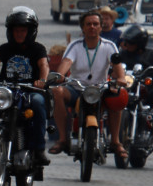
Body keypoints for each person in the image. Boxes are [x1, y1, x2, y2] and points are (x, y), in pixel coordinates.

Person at [0, 6, 50, 165]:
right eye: (16, 30)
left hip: (30, 91)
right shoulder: (4, 48)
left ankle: (39, 149)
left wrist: (42, 80)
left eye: (23, 30)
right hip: (7, 90)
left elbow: (44, 66)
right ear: (10, 32)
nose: (19, 34)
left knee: (38, 102)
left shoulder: (38, 49)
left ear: (30, 31)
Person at [49, 10, 126, 158]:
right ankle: (63, 139)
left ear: (100, 27)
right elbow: (66, 62)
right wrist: (60, 76)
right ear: (83, 28)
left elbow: (117, 64)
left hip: (100, 89)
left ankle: (116, 142)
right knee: (57, 92)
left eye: (95, 24)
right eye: (88, 24)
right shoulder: (75, 45)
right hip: (77, 88)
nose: (92, 27)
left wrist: (121, 78)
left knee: (118, 95)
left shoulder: (109, 46)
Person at [115, 24, 153, 144]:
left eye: (130, 42)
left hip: (146, 89)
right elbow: (112, 64)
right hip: (126, 88)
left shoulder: (152, 54)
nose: (126, 44)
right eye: (126, 42)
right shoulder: (122, 54)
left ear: (139, 43)